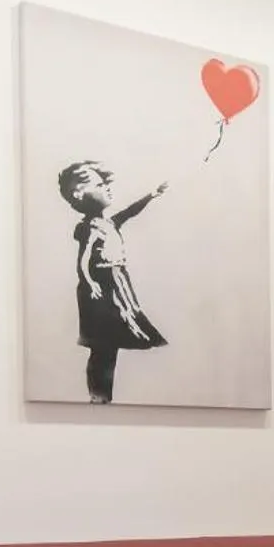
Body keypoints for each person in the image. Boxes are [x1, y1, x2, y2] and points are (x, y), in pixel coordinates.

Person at [56, 160, 168, 403]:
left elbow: (129, 212)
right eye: (99, 184)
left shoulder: (109, 222)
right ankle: (99, 395)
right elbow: (83, 260)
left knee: (111, 343)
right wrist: (91, 283)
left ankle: (102, 394)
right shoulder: (88, 227)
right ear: (79, 194)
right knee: (103, 346)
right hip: (101, 288)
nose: (107, 187)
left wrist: (151, 195)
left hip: (117, 283)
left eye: (106, 182)